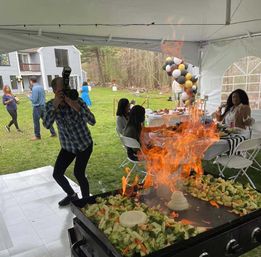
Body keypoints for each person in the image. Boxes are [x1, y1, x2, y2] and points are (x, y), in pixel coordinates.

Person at [43, 77, 96, 206]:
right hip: (68, 147)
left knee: (79, 173)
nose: (65, 93)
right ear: (55, 90)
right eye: (61, 90)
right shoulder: (50, 105)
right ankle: (72, 195)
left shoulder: (78, 101)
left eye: (66, 89)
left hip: (84, 145)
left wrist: (75, 106)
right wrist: (55, 105)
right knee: (57, 173)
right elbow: (47, 124)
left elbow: (92, 121)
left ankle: (85, 203)